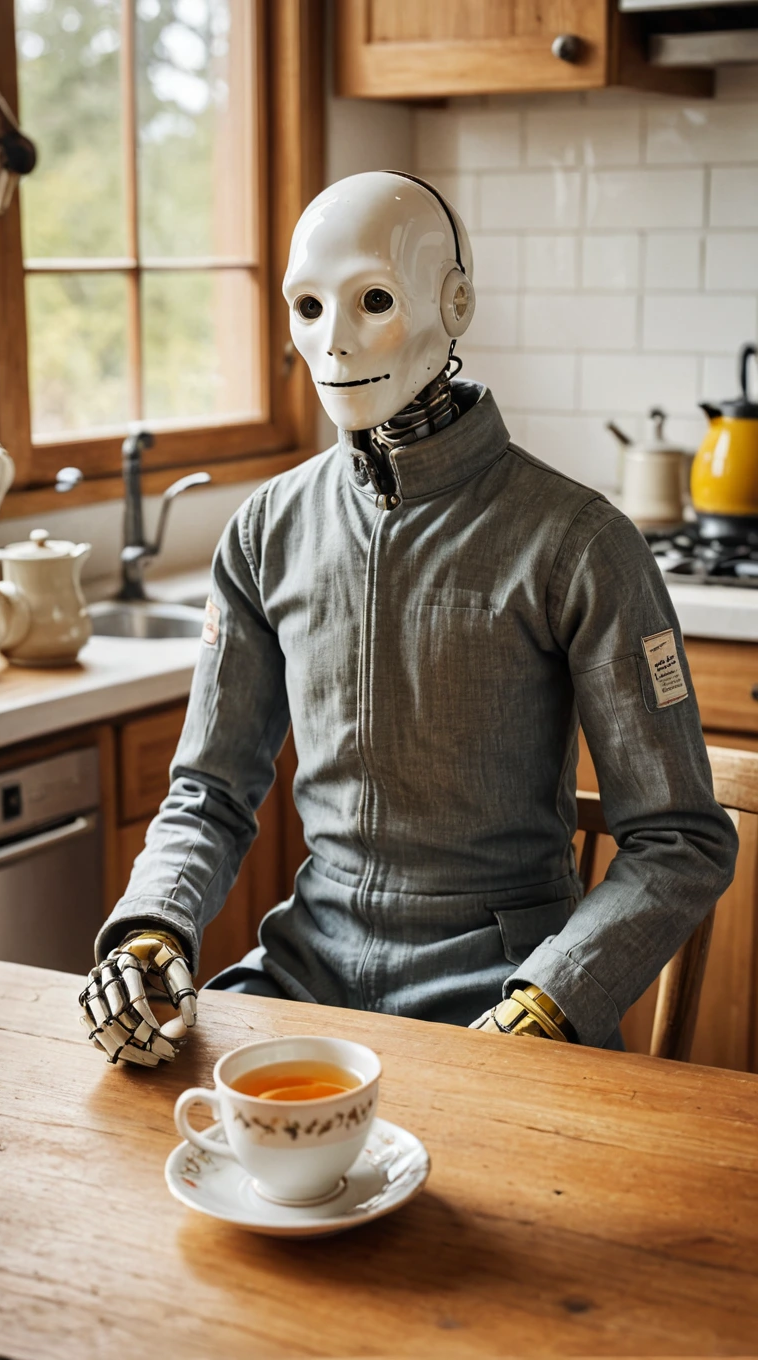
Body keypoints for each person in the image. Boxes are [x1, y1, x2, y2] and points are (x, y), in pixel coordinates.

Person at [79, 171, 738, 1066]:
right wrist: (152, 928)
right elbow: (208, 793)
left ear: (455, 303)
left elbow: (681, 839)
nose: (336, 343)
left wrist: (555, 997)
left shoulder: (581, 542)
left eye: (374, 301)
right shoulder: (266, 531)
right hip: (306, 967)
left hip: (508, 981)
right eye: (307, 307)